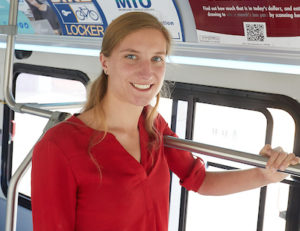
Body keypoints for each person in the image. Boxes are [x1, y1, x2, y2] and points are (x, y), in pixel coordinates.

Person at [31, 12, 300, 231]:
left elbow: (200, 180)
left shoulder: (153, 125)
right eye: (131, 56)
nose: (147, 71)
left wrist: (263, 174)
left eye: (157, 58)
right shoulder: (59, 146)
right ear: (105, 62)